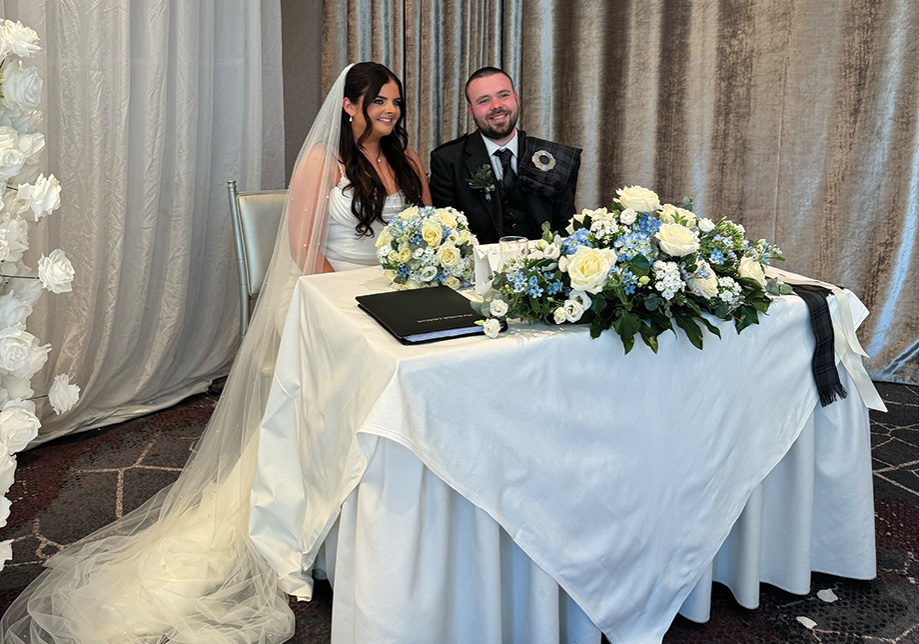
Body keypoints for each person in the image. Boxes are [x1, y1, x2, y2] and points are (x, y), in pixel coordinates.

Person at [0, 62, 429, 644]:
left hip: (398, 299)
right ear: (350, 105)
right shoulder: (320, 164)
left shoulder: (407, 161)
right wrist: (352, 304)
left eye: (397, 104)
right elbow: (304, 256)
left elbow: (426, 229)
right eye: (381, 101)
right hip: (330, 303)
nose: (391, 112)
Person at [429, 66, 581, 245]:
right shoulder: (448, 161)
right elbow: (448, 236)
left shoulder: (554, 158)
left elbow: (567, 229)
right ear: (471, 111)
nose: (496, 106)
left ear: (515, 98)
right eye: (484, 101)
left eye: (503, 95)